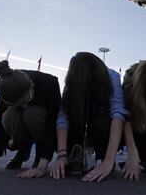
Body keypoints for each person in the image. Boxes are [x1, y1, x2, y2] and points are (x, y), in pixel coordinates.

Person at [0, 60, 61, 178]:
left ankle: (39, 153)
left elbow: (52, 122)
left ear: (31, 85)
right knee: (8, 116)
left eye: (26, 100)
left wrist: (42, 165)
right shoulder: (6, 91)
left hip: (40, 119)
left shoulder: (49, 84)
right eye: (18, 104)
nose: (24, 106)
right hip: (18, 120)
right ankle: (23, 149)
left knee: (30, 112)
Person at [49, 52, 129, 182]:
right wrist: (61, 154)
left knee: (101, 119)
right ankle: (75, 151)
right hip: (80, 119)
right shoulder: (71, 83)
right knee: (73, 110)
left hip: (100, 119)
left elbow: (118, 113)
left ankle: (103, 155)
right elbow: (63, 118)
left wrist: (108, 161)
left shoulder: (111, 76)